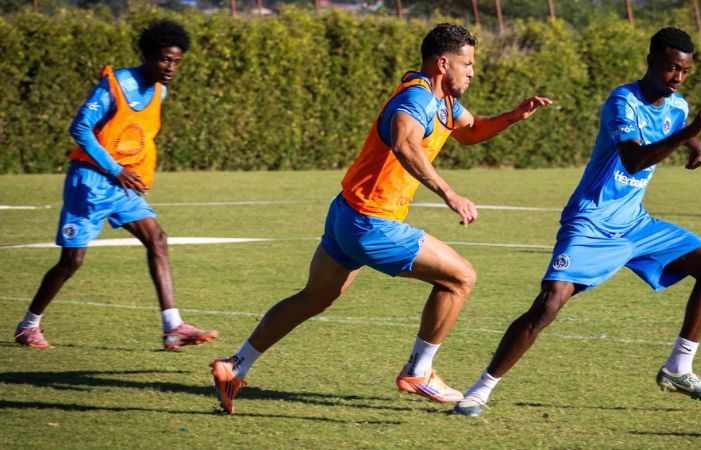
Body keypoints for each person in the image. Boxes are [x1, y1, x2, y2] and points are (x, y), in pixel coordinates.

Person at [210, 23, 553, 414]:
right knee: (461, 278)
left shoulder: (444, 103)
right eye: (467, 63)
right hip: (373, 223)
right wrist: (450, 193)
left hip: (346, 215)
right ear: (443, 63)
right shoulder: (416, 100)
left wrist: (512, 116)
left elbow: (471, 131)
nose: (472, 72)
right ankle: (419, 371)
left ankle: (235, 366)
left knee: (315, 297)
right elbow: (405, 142)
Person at [454, 27, 701, 417]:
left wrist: (695, 145)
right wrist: (692, 132)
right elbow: (633, 159)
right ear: (651, 60)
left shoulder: (678, 106)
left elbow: (673, 126)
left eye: (685, 72)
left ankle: (679, 367)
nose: (678, 78)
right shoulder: (623, 101)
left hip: (635, 223)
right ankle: (480, 389)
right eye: (671, 69)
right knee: (549, 304)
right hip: (590, 220)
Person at [13, 20, 218, 351]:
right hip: (90, 183)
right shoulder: (115, 85)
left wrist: (135, 174)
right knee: (72, 262)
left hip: (122, 187)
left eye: (177, 61)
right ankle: (28, 326)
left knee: (158, 239)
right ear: (148, 55)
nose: (171, 68)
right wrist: (116, 169)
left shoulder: (159, 92)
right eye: (166, 59)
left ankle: (173, 327)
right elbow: (80, 128)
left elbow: (137, 136)